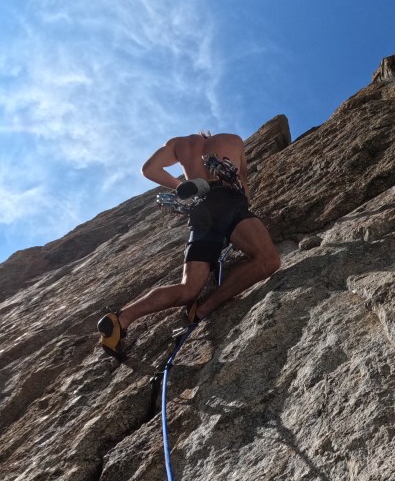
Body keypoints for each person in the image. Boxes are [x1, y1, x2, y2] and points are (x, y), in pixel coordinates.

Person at [97, 131, 281, 359]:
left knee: (188, 288)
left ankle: (121, 319)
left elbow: (149, 170)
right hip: (227, 201)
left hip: (199, 209)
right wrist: (243, 207)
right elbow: (242, 180)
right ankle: (203, 308)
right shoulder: (231, 139)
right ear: (209, 134)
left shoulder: (179, 144)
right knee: (268, 260)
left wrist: (185, 185)